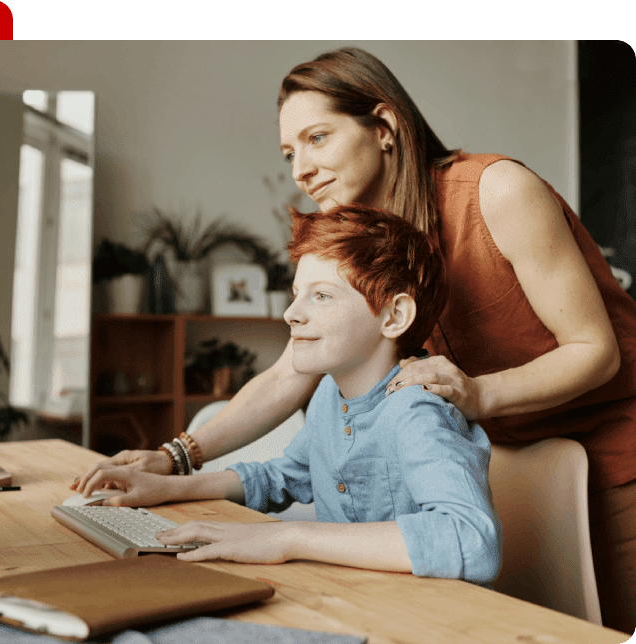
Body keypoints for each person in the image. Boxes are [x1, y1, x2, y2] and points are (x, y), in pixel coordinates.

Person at [76, 47, 636, 631]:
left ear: (386, 127)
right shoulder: (366, 236)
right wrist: (174, 458)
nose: (300, 169)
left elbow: (594, 350)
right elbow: (289, 374)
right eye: (290, 152)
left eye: (318, 138)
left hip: (613, 453)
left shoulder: (497, 192)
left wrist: (477, 395)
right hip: (505, 459)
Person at [80, 204, 502, 585]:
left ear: (394, 316)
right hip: (350, 597)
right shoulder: (327, 397)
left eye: (321, 296)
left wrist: (288, 537)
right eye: (296, 293)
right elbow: (283, 477)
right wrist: (167, 487)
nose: (291, 312)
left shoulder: (416, 411)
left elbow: (471, 538)